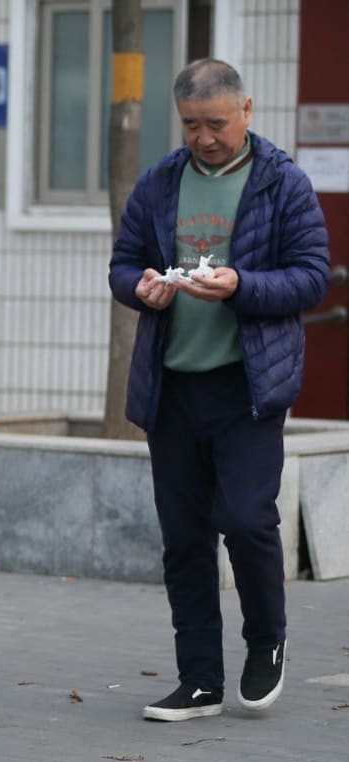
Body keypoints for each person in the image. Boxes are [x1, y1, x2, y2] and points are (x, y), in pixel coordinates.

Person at [109, 59, 330, 722]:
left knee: (244, 518)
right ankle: (199, 680)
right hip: (172, 386)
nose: (204, 137)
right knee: (183, 538)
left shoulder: (282, 184)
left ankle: (267, 643)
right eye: (191, 125)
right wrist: (138, 287)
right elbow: (123, 264)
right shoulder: (160, 183)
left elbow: (311, 278)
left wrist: (242, 286)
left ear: (247, 111)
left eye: (216, 124)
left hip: (249, 386)